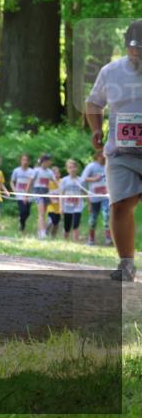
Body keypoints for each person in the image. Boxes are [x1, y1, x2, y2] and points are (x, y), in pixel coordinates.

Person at [85, 20, 142, 281]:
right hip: (121, 153)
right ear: (127, 46)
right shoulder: (111, 71)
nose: (138, 53)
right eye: (135, 48)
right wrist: (96, 130)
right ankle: (126, 265)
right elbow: (93, 103)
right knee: (120, 206)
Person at [83, 150, 112, 246]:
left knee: (106, 215)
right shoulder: (91, 166)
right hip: (94, 197)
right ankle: (91, 239)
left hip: (105, 196)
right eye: (100, 155)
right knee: (93, 218)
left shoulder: (108, 165)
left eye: (104, 155)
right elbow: (83, 178)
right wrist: (94, 179)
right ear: (97, 156)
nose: (102, 157)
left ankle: (108, 239)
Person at [59, 159, 88, 242]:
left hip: (78, 206)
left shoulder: (81, 180)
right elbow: (61, 194)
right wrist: (60, 207)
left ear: (77, 168)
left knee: (76, 224)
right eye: (70, 167)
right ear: (67, 169)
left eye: (74, 167)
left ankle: (76, 241)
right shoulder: (64, 180)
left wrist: (89, 205)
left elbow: (86, 193)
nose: (72, 169)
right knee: (67, 226)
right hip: (67, 206)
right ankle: (65, 240)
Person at [31, 154, 58, 239]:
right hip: (38, 192)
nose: (50, 163)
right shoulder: (36, 170)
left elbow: (55, 182)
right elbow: (30, 181)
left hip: (46, 192)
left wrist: (61, 190)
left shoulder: (49, 172)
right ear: (44, 162)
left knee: (43, 213)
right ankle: (42, 233)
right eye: (48, 161)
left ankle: (40, 231)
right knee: (41, 213)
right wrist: (26, 194)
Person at [10, 153, 35, 233]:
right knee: (23, 210)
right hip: (20, 195)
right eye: (23, 160)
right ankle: (22, 226)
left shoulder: (31, 171)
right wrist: (14, 191)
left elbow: (32, 183)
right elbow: (12, 182)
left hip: (29, 195)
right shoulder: (16, 170)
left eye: (27, 160)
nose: (25, 162)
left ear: (29, 161)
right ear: (20, 161)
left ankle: (21, 221)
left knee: (27, 212)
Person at [46, 166, 62, 238]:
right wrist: (51, 199)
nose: (56, 175)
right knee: (51, 220)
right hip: (51, 205)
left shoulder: (61, 182)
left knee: (56, 223)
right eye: (54, 173)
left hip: (59, 206)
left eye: (57, 173)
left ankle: (53, 236)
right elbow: (46, 192)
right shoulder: (49, 183)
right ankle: (46, 230)